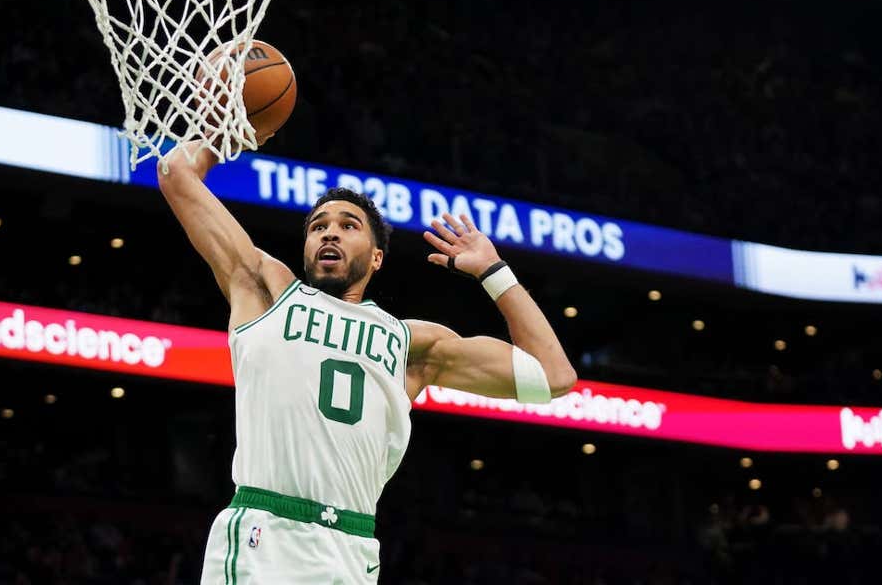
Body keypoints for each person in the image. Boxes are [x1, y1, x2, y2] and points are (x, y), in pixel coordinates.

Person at [158, 140, 577, 583]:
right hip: (266, 534)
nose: (330, 232)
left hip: (351, 547)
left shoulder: (412, 345)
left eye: (348, 225)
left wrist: (493, 271)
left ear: (377, 257)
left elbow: (554, 375)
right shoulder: (266, 291)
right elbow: (175, 175)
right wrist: (225, 129)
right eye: (318, 226)